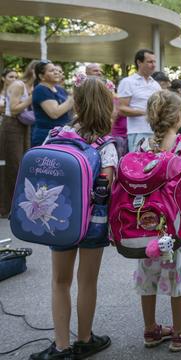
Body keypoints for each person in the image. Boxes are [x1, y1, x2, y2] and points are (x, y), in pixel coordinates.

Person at [30, 77, 117, 360]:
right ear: (107, 105)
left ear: (76, 103)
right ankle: (85, 339)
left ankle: (61, 347)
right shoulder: (107, 146)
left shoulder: (55, 135)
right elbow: (108, 189)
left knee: (60, 281)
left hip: (59, 219)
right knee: (87, 281)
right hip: (94, 224)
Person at [133, 90, 181, 352]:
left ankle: (150, 330)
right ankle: (179, 333)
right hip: (176, 228)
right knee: (177, 278)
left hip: (146, 227)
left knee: (147, 278)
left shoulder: (141, 147)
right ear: (178, 117)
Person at [0, 61, 36, 218]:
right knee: (12, 168)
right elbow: (14, 109)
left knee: (22, 166)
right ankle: (6, 208)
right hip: (12, 126)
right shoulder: (18, 85)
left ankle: (16, 206)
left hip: (24, 127)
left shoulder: (30, 87)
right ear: (35, 71)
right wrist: (31, 99)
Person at [117, 49, 160, 152]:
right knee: (138, 166)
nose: (153, 65)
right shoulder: (128, 82)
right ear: (139, 62)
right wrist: (146, 113)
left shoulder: (156, 84)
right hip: (137, 132)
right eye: (150, 62)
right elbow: (122, 109)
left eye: (154, 62)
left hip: (156, 133)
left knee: (154, 166)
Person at [31, 60, 73, 147]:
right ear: (41, 76)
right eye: (51, 71)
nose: (56, 72)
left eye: (56, 70)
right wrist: (72, 98)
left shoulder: (60, 89)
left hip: (61, 135)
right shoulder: (41, 89)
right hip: (46, 136)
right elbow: (54, 113)